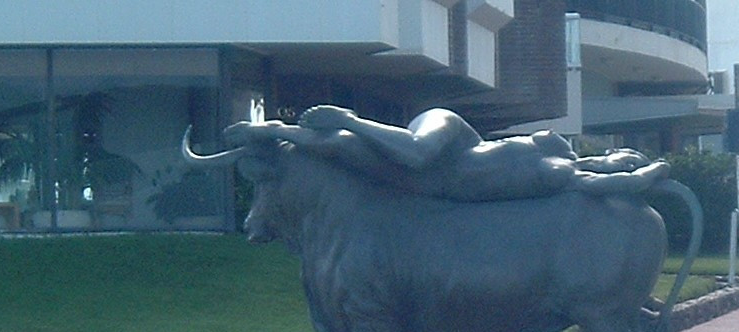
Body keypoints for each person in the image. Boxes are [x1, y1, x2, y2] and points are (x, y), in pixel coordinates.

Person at [226, 105, 668, 202]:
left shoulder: (556, 170)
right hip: (452, 142)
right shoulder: (554, 156)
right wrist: (629, 164)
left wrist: (650, 170)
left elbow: (617, 181)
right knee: (411, 148)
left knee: (343, 147)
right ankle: (347, 118)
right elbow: (606, 171)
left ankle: (273, 131)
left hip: (434, 177)